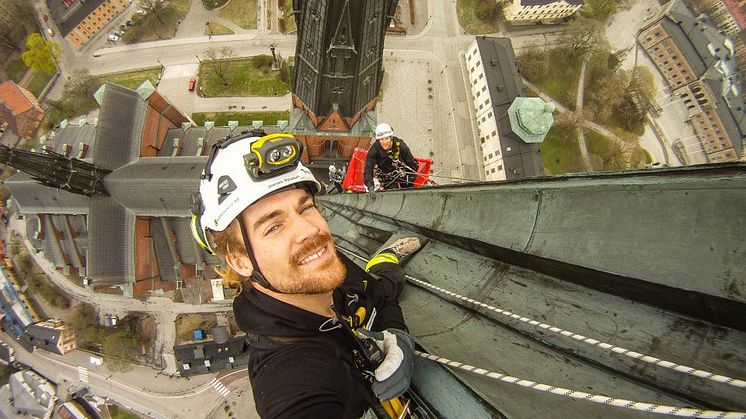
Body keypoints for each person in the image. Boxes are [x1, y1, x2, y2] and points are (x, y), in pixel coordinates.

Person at [190, 132, 422, 418]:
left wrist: (396, 332)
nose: (309, 231)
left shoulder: (322, 265)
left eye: (306, 207)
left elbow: (380, 296)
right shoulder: (287, 374)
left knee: (388, 277)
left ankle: (385, 258)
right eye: (273, 227)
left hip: (364, 290)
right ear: (240, 260)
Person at [364, 123, 419, 192]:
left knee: (408, 191)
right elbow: (368, 169)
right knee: (392, 193)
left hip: (403, 173)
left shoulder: (400, 145)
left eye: (387, 138)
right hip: (387, 176)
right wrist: (370, 186)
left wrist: (411, 176)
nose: (384, 142)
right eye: (381, 139)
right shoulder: (374, 150)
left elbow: (410, 161)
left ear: (391, 137)